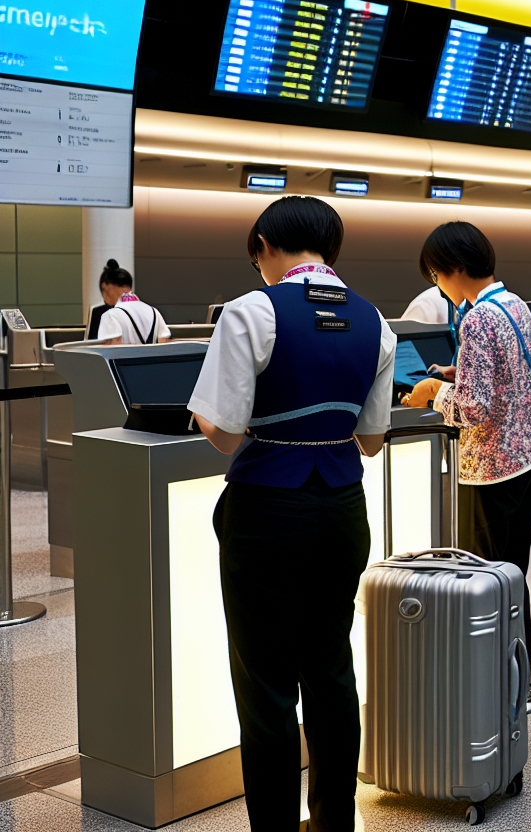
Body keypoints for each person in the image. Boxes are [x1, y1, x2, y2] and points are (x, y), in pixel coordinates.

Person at [186, 196, 395, 832]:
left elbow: (220, 432)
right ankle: (334, 822)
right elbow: (373, 438)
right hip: (341, 506)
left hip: (266, 512)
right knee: (330, 669)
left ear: (265, 248)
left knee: (266, 684)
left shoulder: (252, 311)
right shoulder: (375, 321)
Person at [401, 221, 531, 710]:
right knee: (513, 571)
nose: (436, 283)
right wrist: (456, 372)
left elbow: (473, 410)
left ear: (456, 269)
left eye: (436, 273)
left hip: (494, 466)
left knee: (486, 576)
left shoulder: (476, 319)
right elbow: (512, 375)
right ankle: (522, 676)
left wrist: (432, 391)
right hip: (530, 454)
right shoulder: (515, 305)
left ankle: (506, 685)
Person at [93, 259, 170, 345]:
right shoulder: (154, 312)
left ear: (105, 286)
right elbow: (164, 343)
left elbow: (111, 352)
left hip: (126, 358)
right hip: (151, 358)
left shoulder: (111, 316)